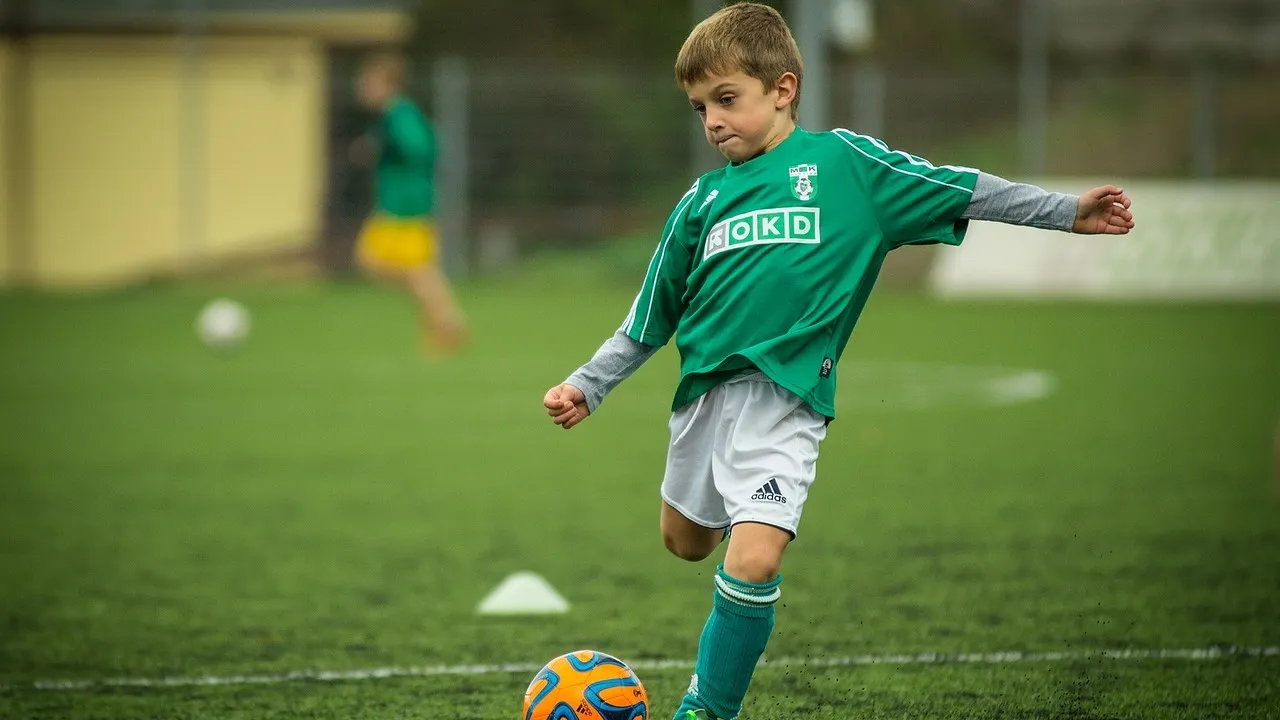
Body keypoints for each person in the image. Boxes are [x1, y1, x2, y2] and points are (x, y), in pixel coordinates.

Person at [542, 4, 1135, 719]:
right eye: (701, 108)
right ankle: (737, 519)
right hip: (702, 403)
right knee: (683, 542)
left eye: (727, 100)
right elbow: (648, 319)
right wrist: (588, 384)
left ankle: (708, 707)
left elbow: (963, 188)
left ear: (783, 89)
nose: (713, 122)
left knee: (754, 560)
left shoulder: (846, 166)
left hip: (786, 403)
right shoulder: (699, 202)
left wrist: (1067, 211)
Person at [352, 51, 467, 354]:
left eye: (368, 81)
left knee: (411, 270)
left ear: (386, 83)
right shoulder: (392, 116)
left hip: (406, 205)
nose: (362, 87)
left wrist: (383, 148)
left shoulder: (398, 114)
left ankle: (446, 323)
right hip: (397, 204)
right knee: (385, 265)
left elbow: (422, 147)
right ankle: (443, 320)